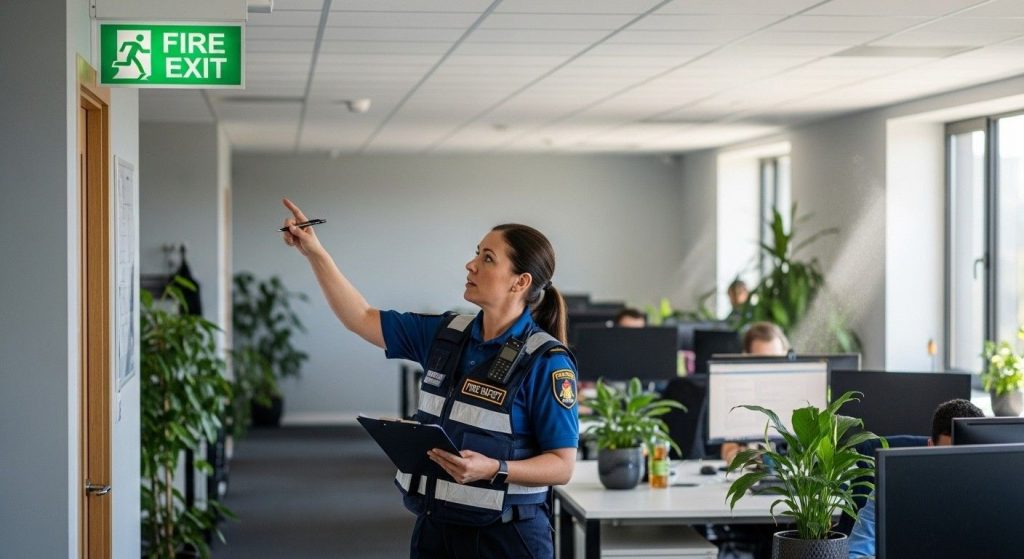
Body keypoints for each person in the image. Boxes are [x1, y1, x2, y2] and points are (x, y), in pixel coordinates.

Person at [280, 199, 578, 558]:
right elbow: (360, 317)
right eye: (476, 253)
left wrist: (494, 469)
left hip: (507, 538)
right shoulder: (446, 333)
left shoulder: (546, 361)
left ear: (520, 281)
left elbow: (561, 465)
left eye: (487, 258)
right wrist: (314, 252)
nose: (471, 264)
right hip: (436, 528)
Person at [847, 399, 985, 559]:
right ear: (930, 447)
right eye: (948, 457)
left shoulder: (1000, 493)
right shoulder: (892, 489)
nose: (957, 469)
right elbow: (856, 553)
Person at [720, 321, 791, 464]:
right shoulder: (737, 396)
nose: (771, 368)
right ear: (746, 358)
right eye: (763, 361)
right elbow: (728, 452)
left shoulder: (798, 394)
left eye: (777, 360)